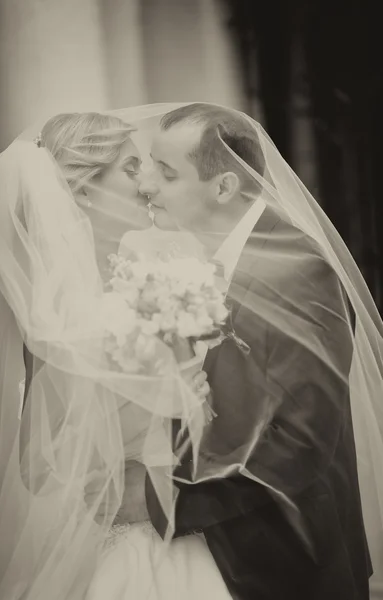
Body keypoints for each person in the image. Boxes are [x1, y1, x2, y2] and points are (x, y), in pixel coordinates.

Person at [136, 103, 382, 600]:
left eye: (166, 173)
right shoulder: (207, 259)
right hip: (236, 552)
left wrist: (174, 505)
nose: (146, 186)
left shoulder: (296, 269)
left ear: (224, 186)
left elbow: (302, 440)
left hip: (289, 563)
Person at [0, 110, 226, 600]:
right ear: (83, 190)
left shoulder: (149, 279)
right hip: (136, 540)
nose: (148, 181)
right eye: (132, 168)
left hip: (191, 524)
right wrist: (163, 411)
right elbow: (37, 462)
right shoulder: (64, 316)